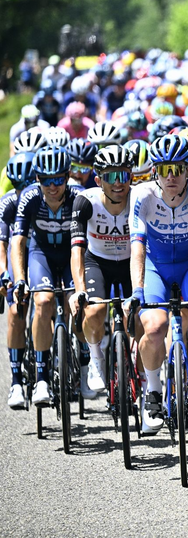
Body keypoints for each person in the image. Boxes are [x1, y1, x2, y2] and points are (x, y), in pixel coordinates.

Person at [126, 135, 188, 435]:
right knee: (154, 326)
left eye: (177, 169)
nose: (171, 177)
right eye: (164, 169)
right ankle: (153, 394)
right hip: (156, 265)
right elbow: (137, 247)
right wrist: (137, 290)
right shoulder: (141, 195)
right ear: (155, 171)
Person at [11, 148, 88, 405]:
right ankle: (42, 379)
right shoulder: (30, 197)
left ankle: (84, 354)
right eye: (46, 180)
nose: (52, 186)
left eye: (58, 179)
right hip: (40, 253)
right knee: (43, 302)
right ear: (38, 179)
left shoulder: (78, 195)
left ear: (68, 176)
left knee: (75, 301)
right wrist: (20, 279)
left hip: (70, 254)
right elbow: (18, 242)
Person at [68, 146, 137, 395]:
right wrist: (79, 290)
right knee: (94, 310)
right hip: (97, 261)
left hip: (132, 262)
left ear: (132, 175)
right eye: (110, 176)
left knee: (140, 316)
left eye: (123, 175)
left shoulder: (140, 198)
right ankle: (96, 360)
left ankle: (140, 367)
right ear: (98, 180)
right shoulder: (86, 201)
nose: (118, 183)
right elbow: (76, 249)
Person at [0, 153, 36, 408]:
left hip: (42, 254)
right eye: (18, 186)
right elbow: (2, 243)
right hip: (18, 257)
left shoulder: (44, 198)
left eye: (29, 184)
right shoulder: (7, 202)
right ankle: (16, 381)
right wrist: (3, 272)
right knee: (15, 311)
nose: (24, 191)